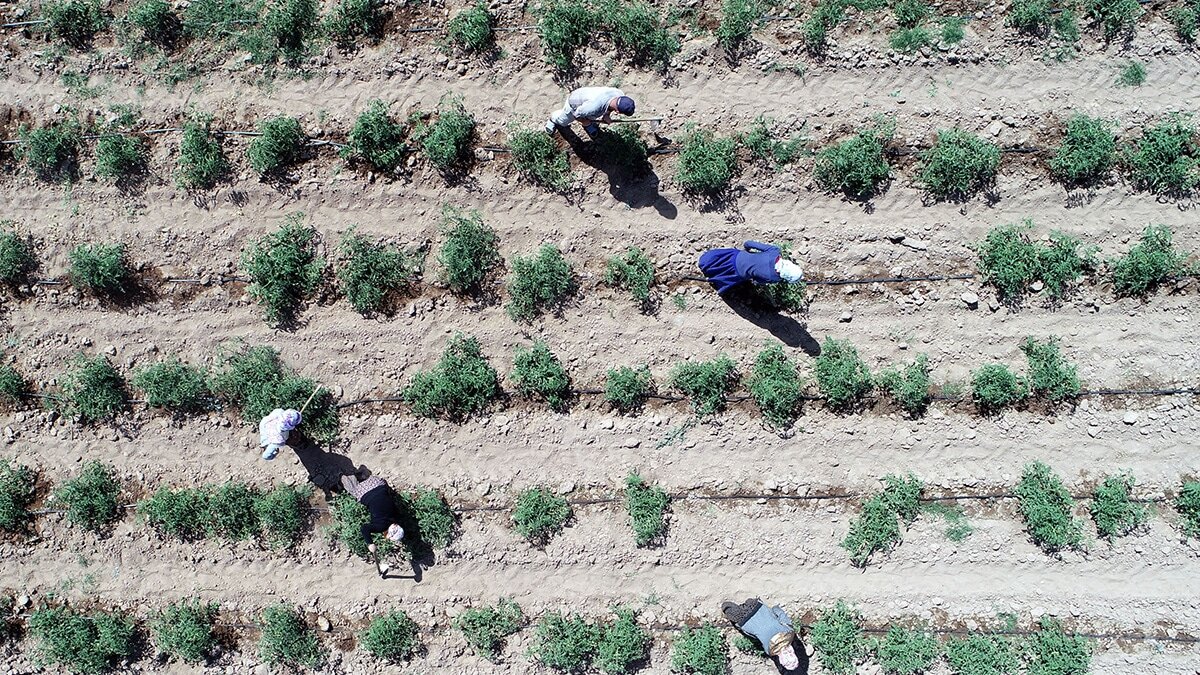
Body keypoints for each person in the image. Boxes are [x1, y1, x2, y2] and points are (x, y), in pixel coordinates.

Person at [721, 598, 809, 671]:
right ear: (781, 660)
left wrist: (774, 609)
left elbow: (779, 612)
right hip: (744, 620)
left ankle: (747, 604)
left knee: (753, 605)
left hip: (756, 606)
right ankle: (728, 611)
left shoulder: (790, 631)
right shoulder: (769, 650)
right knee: (727, 607)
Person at [698, 241, 804, 296]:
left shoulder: (774, 251)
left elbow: (749, 243)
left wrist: (747, 250)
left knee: (710, 259)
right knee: (737, 278)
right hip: (736, 273)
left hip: (734, 256)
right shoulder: (774, 278)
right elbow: (757, 280)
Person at [340, 472, 405, 557]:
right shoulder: (381, 527)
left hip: (377, 483)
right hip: (364, 491)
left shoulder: (397, 517)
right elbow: (364, 528)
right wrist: (370, 543)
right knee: (354, 490)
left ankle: (364, 475)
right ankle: (346, 478)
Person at [545, 86, 636, 138]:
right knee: (563, 122)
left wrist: (607, 115)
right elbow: (576, 114)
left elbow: (610, 104)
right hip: (574, 104)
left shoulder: (619, 94)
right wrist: (585, 122)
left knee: (591, 116)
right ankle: (553, 119)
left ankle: (587, 125)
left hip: (586, 99)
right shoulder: (593, 107)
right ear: (617, 112)